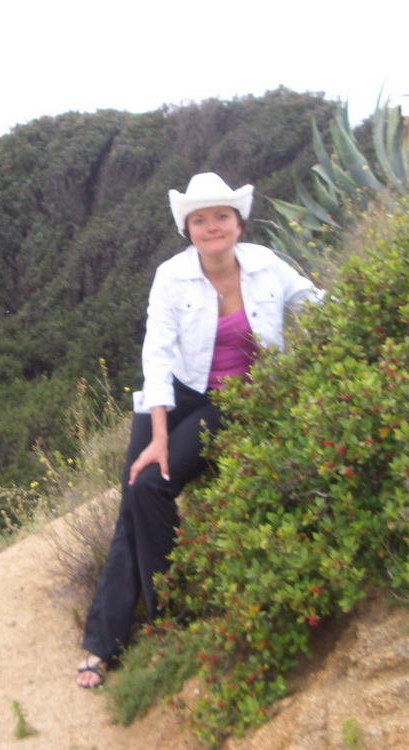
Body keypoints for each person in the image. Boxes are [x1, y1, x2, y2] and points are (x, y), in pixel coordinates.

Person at [76, 172, 322, 688]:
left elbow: (315, 304)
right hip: (173, 393)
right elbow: (157, 353)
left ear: (239, 223)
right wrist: (158, 435)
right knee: (135, 494)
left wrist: (370, 317)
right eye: (200, 219)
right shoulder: (172, 275)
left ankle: (169, 620)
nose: (212, 226)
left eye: (221, 217)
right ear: (187, 229)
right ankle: (105, 641)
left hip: (231, 399)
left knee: (151, 486)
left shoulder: (267, 265)